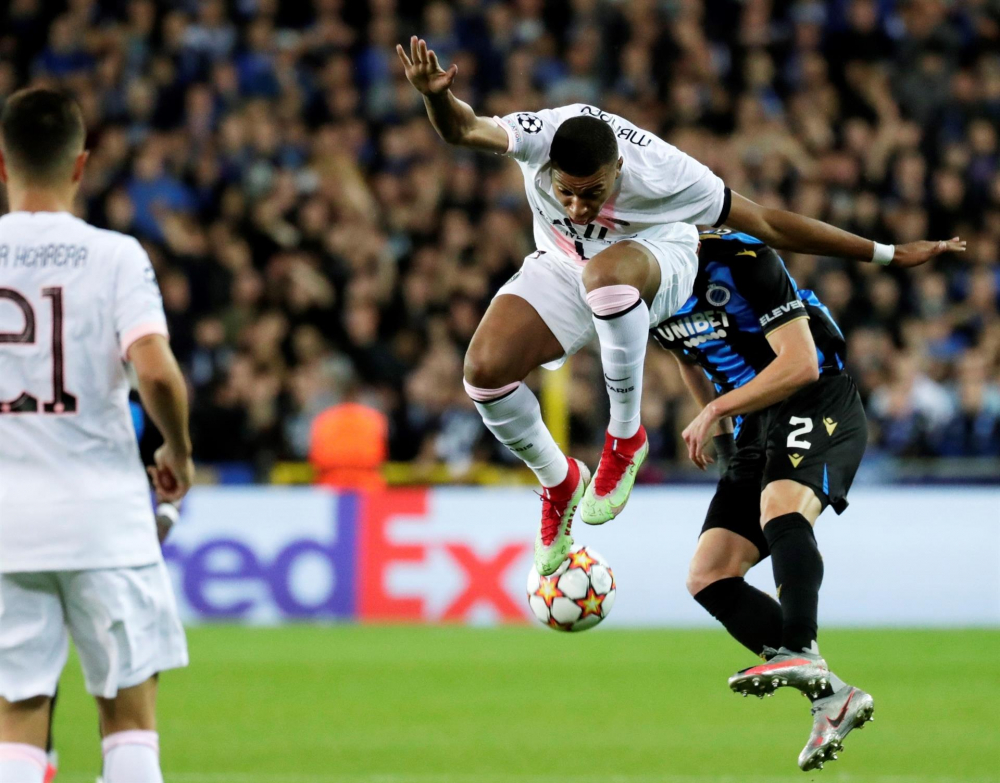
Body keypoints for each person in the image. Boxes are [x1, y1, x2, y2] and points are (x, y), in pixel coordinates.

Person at [396, 36, 964, 576]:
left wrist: (886, 253)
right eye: (563, 192)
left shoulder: (666, 173)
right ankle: (560, 481)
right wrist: (434, 96)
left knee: (607, 275)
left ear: (618, 170)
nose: (577, 205)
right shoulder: (541, 136)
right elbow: (465, 129)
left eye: (591, 193)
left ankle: (625, 437)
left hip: (660, 258)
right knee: (484, 375)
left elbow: (767, 221)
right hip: (563, 265)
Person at [0, 87, 192, 783]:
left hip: (7, 523)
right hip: (103, 516)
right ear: (80, 166)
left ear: (2, 164)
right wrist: (177, 449)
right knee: (128, 719)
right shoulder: (113, 256)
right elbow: (157, 373)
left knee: (19, 715)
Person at [655, 229, 873, 771]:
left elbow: (800, 363)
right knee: (710, 574)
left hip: (816, 391)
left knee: (781, 503)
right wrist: (728, 443)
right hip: (753, 424)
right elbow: (688, 355)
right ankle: (833, 696)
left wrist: (712, 412)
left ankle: (800, 647)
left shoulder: (741, 258)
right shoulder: (648, 284)